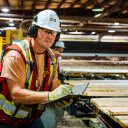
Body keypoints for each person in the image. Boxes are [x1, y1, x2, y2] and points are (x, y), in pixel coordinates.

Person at [0, 9, 73, 128]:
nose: (50, 36)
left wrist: (61, 97)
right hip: (7, 120)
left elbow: (53, 88)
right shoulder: (16, 55)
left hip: (32, 118)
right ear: (34, 30)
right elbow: (16, 95)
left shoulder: (51, 57)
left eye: (54, 33)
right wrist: (51, 96)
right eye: (46, 31)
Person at [41, 41, 70, 128]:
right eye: (62, 48)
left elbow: (55, 71)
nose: (62, 50)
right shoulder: (52, 55)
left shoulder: (54, 55)